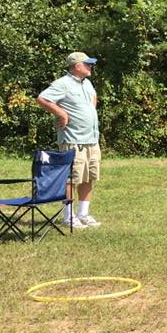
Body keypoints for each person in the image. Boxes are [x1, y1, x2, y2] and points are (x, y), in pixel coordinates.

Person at [36, 52, 102, 229]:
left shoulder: (87, 83)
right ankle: (69, 217)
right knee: (70, 179)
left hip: (91, 139)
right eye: (87, 64)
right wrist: (61, 113)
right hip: (73, 140)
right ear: (76, 66)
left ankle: (83, 214)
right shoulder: (62, 83)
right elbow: (42, 98)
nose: (90, 66)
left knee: (89, 176)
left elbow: (93, 98)